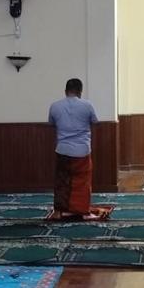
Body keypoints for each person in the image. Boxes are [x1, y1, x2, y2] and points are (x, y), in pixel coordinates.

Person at [48, 78, 100, 217]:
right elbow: (95, 121)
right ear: (80, 91)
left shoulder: (55, 106)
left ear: (65, 91)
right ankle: (83, 211)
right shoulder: (87, 105)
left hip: (63, 149)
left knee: (61, 182)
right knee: (83, 181)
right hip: (82, 150)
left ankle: (58, 212)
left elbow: (51, 123)